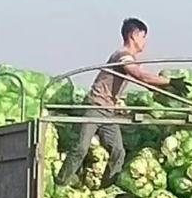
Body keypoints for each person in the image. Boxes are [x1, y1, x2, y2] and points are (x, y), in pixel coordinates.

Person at [57, 18, 172, 188]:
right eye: (143, 36)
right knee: (81, 148)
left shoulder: (130, 59)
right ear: (133, 35)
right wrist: (167, 81)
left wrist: (165, 87)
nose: (145, 42)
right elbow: (138, 75)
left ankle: (106, 187)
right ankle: (61, 183)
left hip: (109, 111)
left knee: (118, 151)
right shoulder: (122, 56)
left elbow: (143, 80)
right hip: (96, 106)